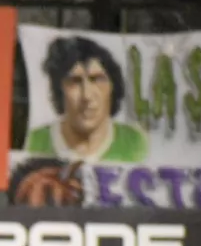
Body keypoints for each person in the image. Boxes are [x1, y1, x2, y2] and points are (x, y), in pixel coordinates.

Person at [24, 35, 148, 164]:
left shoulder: (134, 142)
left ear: (113, 87)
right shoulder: (35, 142)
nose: (86, 96)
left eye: (97, 80)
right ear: (59, 89)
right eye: (75, 82)